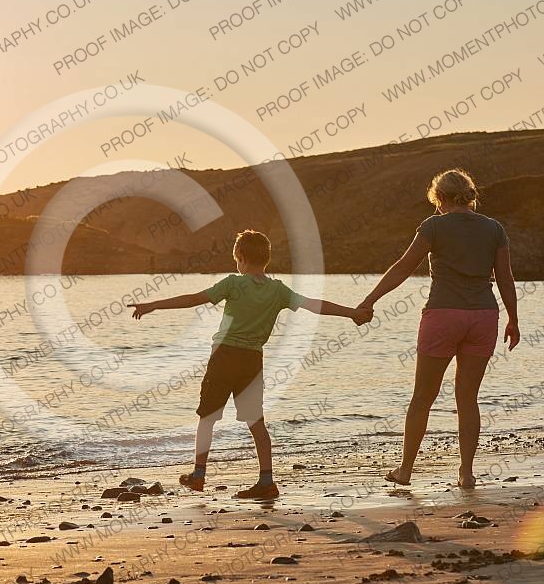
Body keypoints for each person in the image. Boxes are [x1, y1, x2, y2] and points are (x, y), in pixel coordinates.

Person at [130, 229, 372, 499]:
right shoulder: (278, 290)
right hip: (252, 361)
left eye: (237, 259)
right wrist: (351, 313)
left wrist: (154, 305)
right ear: (266, 259)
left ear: (240, 258)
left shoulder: (233, 284)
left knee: (207, 418)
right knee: (256, 423)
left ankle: (198, 475)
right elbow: (314, 305)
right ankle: (266, 480)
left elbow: (194, 299)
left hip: (224, 358)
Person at [356, 169, 520, 489]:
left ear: (439, 197)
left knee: (423, 398)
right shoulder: (494, 228)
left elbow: (404, 266)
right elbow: (505, 277)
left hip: (443, 316)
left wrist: (369, 300)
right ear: (470, 195)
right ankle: (466, 473)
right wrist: (513, 319)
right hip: (484, 316)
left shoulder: (433, 226)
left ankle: (405, 471)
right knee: (468, 398)